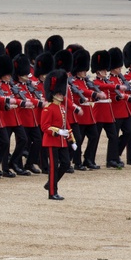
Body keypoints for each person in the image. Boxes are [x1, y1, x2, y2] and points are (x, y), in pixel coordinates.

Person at [41, 69, 71, 201]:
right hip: (52, 141)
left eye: (61, 93)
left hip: (62, 141)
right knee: (53, 167)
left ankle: (50, 184)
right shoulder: (48, 108)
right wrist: (58, 132)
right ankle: (52, 192)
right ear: (53, 94)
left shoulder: (62, 107)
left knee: (65, 164)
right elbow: (45, 127)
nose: (61, 95)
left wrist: (71, 139)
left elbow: (66, 123)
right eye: (58, 93)